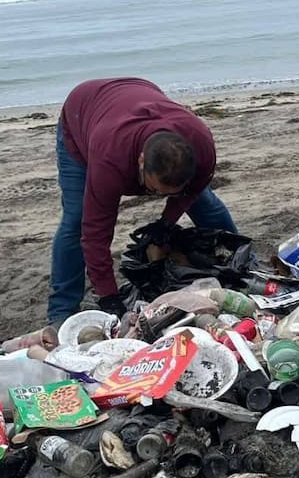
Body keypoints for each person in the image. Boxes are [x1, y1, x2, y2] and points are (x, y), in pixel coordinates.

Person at [47, 77, 238, 325]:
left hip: (137, 94)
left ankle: (240, 264)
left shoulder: (201, 144)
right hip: (81, 114)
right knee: (76, 220)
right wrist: (108, 295)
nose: (159, 197)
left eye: (170, 192)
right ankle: (61, 310)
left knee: (204, 202)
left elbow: (196, 187)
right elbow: (95, 234)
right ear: (140, 162)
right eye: (154, 190)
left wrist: (167, 221)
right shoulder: (109, 161)